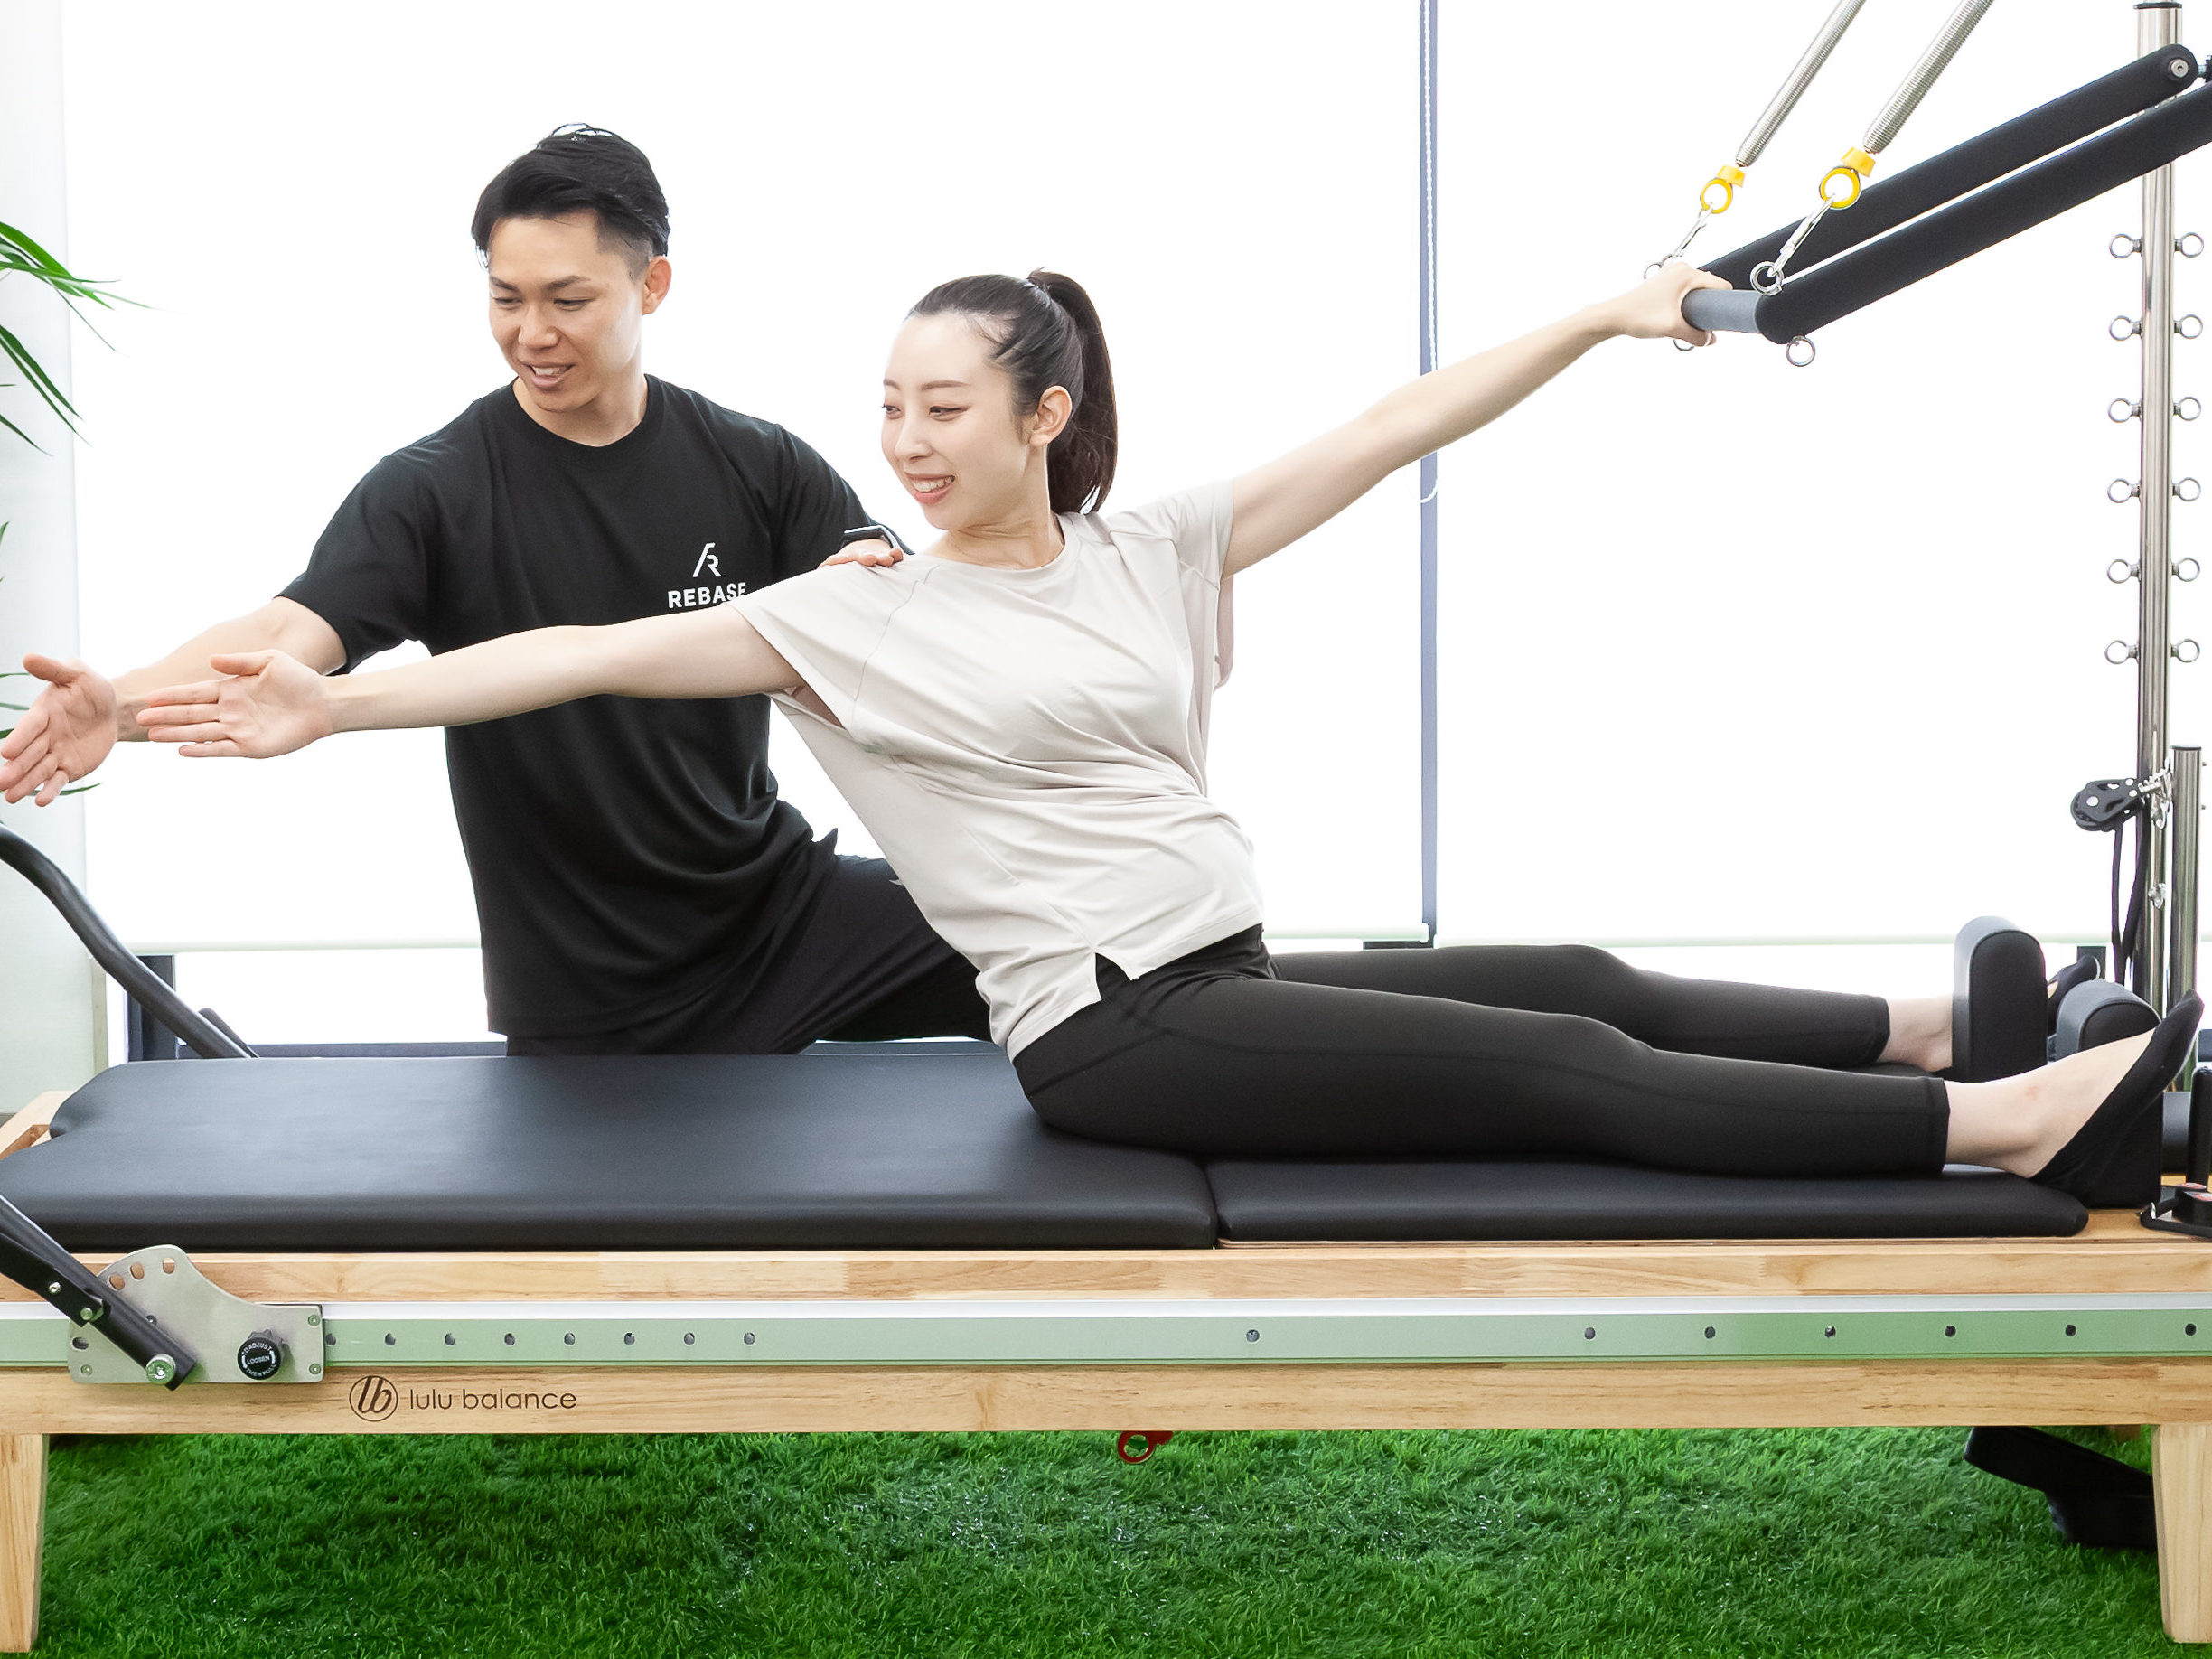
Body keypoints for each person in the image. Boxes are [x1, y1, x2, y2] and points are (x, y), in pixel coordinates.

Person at [98, 263, 2198, 1201]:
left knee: (1570, 971)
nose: (905, 441)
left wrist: (1587, 313)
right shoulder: (848, 619)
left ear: (1046, 412)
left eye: (944, 406)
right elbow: (560, 657)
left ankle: (1943, 1028)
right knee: (1563, 1068)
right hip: (1115, 1034)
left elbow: (1389, 428)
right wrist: (335, 701)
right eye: (888, 407)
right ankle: (2008, 1128)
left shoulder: (1147, 545)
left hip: (1222, 972)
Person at [0, 126, 991, 1055]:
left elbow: (893, 618)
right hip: (591, 991)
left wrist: (889, 597)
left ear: (652, 285)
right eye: (505, 298)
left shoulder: (759, 464)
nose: (532, 333)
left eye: (567, 300)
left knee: (1053, 939)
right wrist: (117, 708)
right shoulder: (436, 490)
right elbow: (284, 630)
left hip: (782, 916)